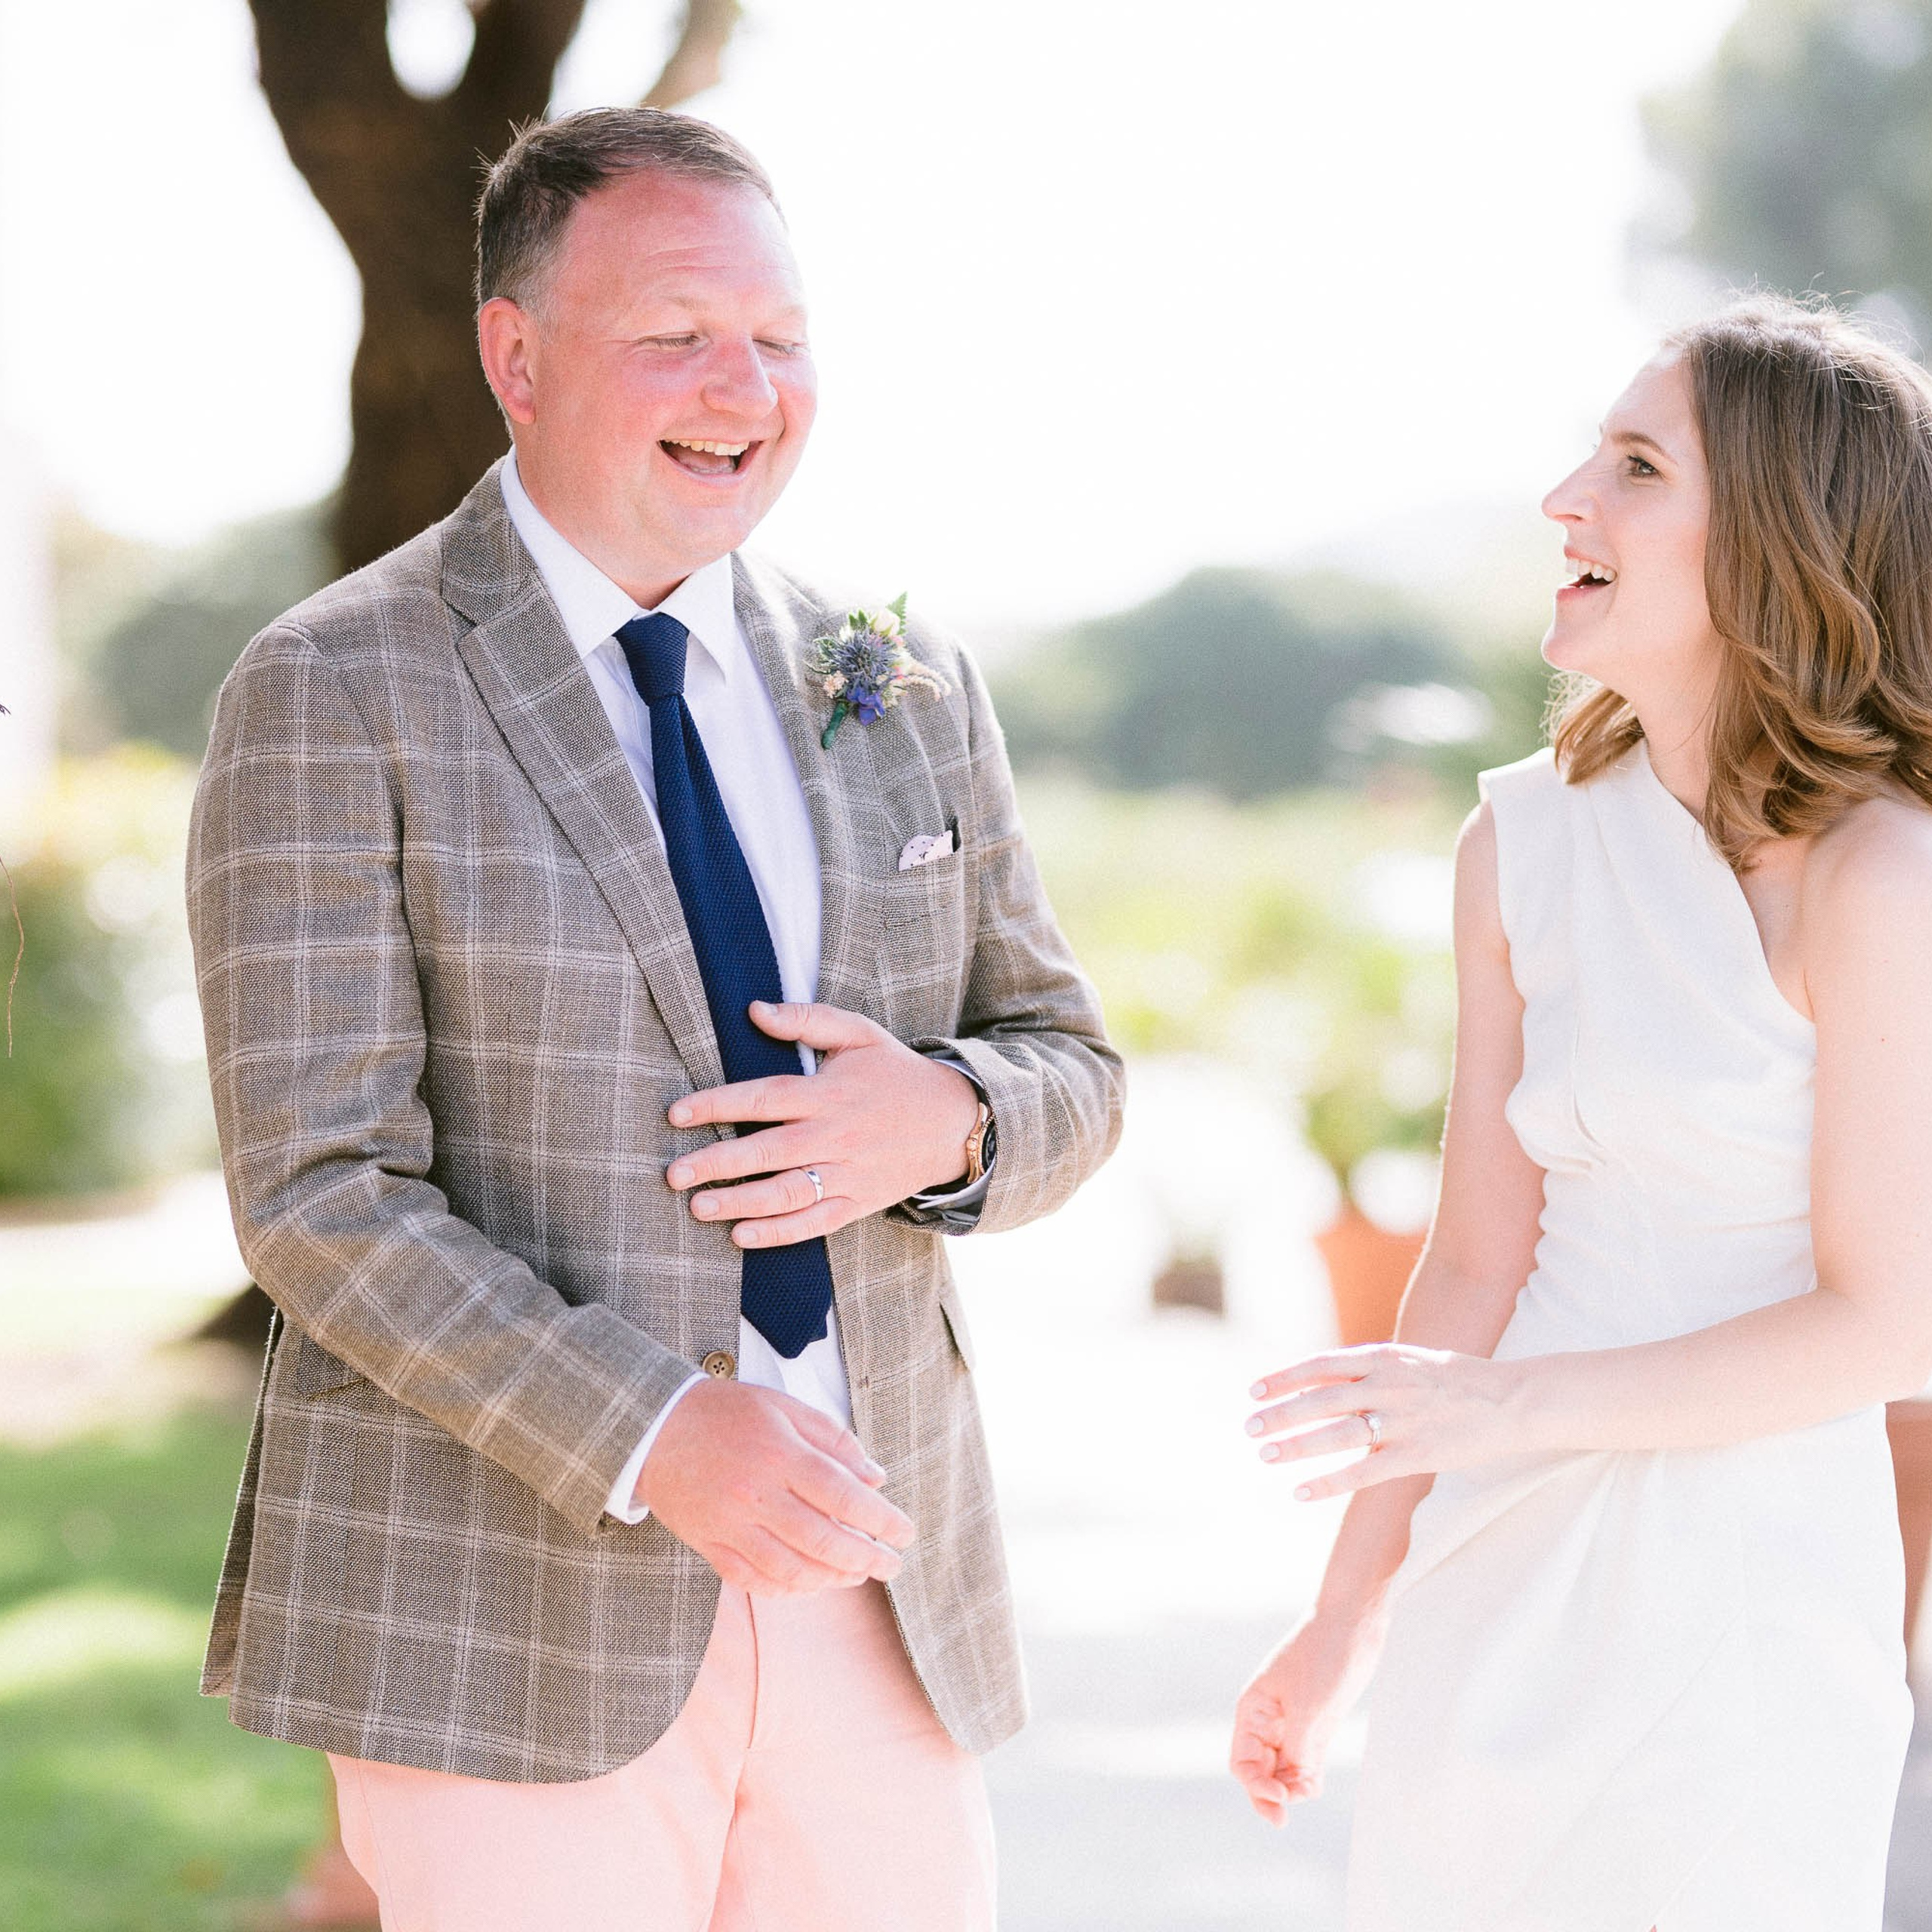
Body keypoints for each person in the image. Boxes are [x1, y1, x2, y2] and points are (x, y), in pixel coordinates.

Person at [186, 106, 1123, 1932]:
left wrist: (949, 1116)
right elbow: (317, 1189)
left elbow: (1069, 1060)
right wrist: (657, 1432)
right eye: (676, 332)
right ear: (513, 355)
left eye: (779, 337)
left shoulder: (899, 676)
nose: (742, 383)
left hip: (878, 1588)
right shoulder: (327, 686)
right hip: (504, 1608)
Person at [1230, 296, 1932, 1930]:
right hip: (1502, 1558)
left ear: (1773, 540)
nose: (1566, 496)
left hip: (1750, 1589)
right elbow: (1471, 1261)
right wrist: (1345, 1614)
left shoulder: (1873, 867)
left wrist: (1516, 1410)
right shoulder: (1520, 841)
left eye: (1632, 466)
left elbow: (1888, 1324)